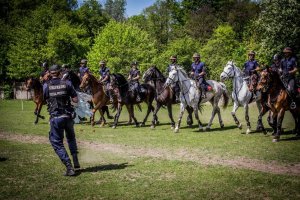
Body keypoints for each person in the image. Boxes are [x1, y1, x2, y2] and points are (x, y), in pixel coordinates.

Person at [43, 64, 80, 176]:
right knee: (71, 138)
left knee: (57, 143)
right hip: (68, 117)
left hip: (56, 118)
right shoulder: (67, 83)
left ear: (50, 73)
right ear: (60, 73)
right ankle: (75, 158)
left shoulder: (46, 86)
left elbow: (45, 99)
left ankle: (69, 167)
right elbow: (75, 100)